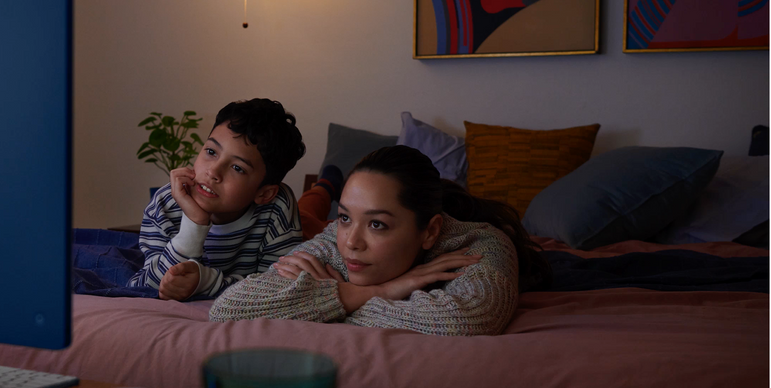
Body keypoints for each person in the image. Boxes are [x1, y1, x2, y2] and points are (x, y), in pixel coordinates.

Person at [209, 145, 551, 335]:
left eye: (377, 225)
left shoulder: (480, 245)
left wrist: (325, 304)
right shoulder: (337, 240)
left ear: (430, 231)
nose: (352, 242)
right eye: (344, 217)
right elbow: (229, 308)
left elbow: (468, 318)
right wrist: (380, 290)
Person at [128, 98, 307, 301]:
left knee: (312, 213)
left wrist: (206, 282)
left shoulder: (277, 207)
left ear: (264, 194)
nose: (213, 171)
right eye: (211, 152)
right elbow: (146, 287)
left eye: (237, 168)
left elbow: (281, 287)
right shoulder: (165, 204)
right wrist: (194, 224)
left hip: (297, 224)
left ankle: (325, 186)